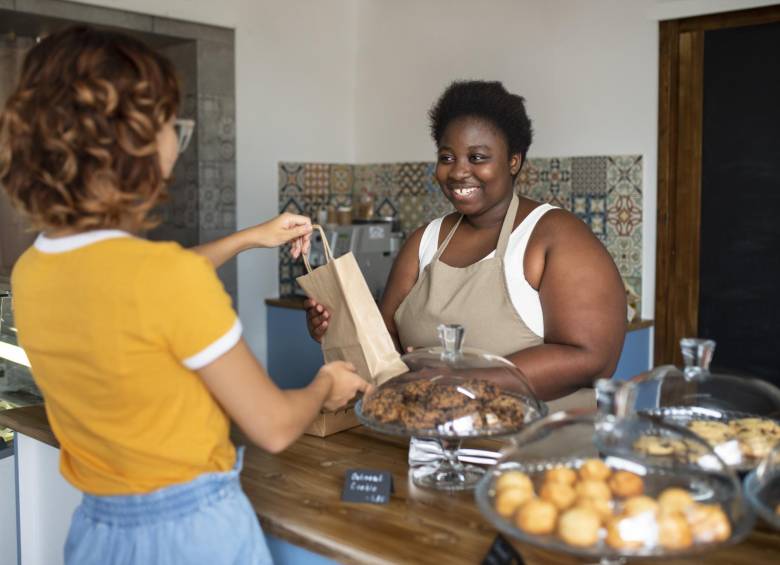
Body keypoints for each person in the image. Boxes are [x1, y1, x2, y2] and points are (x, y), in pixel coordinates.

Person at [0, 26, 369, 565]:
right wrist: (326, 384)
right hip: (195, 536)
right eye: (171, 122)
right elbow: (273, 425)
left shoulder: (31, 272)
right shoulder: (165, 280)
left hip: (97, 534)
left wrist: (249, 238)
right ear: (135, 143)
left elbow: (138, 288)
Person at [306, 80, 626, 408]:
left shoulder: (555, 236)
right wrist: (339, 330)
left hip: (536, 449)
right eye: (447, 157)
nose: (458, 171)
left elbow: (592, 358)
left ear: (513, 161)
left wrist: (460, 381)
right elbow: (385, 346)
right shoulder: (424, 242)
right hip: (429, 444)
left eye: (477, 157)